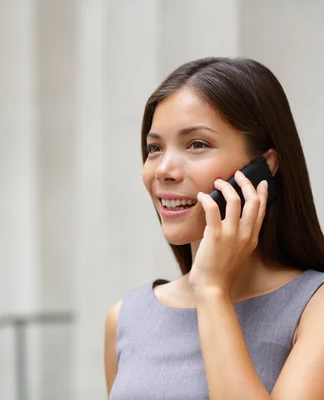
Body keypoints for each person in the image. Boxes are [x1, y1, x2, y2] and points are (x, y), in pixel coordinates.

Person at [104, 57, 324, 400]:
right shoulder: (126, 318)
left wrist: (211, 289)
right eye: (154, 148)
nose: (164, 169)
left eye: (197, 144)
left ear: (263, 168)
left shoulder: (315, 309)